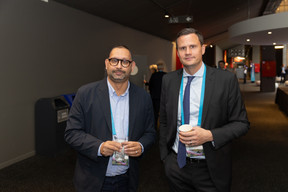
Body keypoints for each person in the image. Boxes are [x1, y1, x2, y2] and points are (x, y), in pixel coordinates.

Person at [159, 28, 249, 192]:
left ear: (202, 48)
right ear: (178, 52)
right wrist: (165, 158)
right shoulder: (169, 80)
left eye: (192, 46)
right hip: (176, 165)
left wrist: (210, 135)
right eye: (182, 48)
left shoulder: (225, 80)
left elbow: (241, 123)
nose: (187, 52)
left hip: (210, 167)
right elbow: (164, 120)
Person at [65, 45, 156, 192]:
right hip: (92, 179)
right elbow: (72, 133)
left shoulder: (143, 97)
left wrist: (141, 146)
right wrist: (99, 147)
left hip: (127, 179)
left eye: (125, 62)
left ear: (132, 66)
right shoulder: (85, 93)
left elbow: (150, 132)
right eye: (114, 61)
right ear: (106, 63)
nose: (119, 66)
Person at [144, 62, 166, 128]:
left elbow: (150, 85)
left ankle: (155, 126)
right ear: (163, 68)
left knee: (155, 113)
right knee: (163, 113)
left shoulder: (154, 75)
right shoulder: (166, 75)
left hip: (155, 97)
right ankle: (163, 127)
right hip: (163, 97)